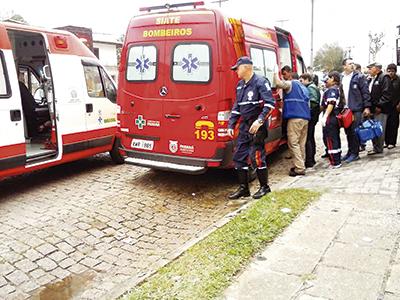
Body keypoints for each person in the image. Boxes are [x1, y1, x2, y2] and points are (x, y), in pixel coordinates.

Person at [227, 56, 275, 200]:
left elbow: (270, 104)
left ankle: (264, 187)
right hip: (244, 126)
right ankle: (244, 189)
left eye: (238, 68)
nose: (236, 71)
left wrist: (260, 120)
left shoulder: (260, 82)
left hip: (257, 126)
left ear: (246, 67)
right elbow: (237, 107)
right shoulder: (240, 85)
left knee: (256, 157)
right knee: (239, 157)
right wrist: (231, 124)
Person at [274, 66, 310, 176]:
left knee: (293, 143)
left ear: (289, 73)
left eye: (284, 74)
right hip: (305, 118)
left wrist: (275, 73)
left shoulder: (291, 84)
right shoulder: (302, 86)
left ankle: (299, 168)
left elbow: (278, 84)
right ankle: (301, 164)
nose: (284, 77)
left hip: (295, 118)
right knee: (301, 143)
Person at [341, 58, 371, 163]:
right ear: (344, 66)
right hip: (345, 110)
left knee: (354, 131)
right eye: (349, 64)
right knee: (348, 131)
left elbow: (365, 92)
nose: (352, 65)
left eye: (353, 63)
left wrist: (367, 107)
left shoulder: (359, 77)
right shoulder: (342, 78)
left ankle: (355, 153)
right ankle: (350, 151)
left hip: (356, 109)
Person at [367, 62, 393, 155]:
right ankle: (375, 147)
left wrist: (380, 106)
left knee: (379, 128)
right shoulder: (371, 79)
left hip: (380, 109)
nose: (369, 70)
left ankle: (379, 148)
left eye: (370, 68)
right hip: (372, 109)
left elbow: (387, 94)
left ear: (376, 68)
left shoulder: (384, 77)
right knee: (373, 128)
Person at [321, 71, 344, 168]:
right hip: (334, 116)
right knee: (335, 138)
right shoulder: (336, 89)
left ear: (333, 79)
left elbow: (331, 103)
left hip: (331, 117)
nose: (327, 81)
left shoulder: (332, 90)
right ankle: (337, 159)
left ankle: (335, 162)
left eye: (329, 78)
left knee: (331, 139)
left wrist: (325, 116)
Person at [299, 73, 321, 168]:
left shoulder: (310, 88)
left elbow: (313, 102)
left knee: (308, 137)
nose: (301, 83)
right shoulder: (312, 86)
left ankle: (309, 160)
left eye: (302, 81)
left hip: (311, 115)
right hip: (313, 115)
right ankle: (311, 158)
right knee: (310, 137)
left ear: (307, 79)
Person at [384, 63, 400, 149]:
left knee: (394, 124)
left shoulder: (398, 80)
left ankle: (392, 142)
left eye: (392, 71)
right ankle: (386, 141)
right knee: (386, 124)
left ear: (395, 72)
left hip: (395, 106)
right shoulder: (385, 79)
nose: (390, 73)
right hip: (386, 106)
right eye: (389, 71)